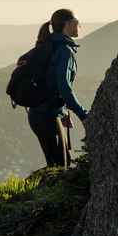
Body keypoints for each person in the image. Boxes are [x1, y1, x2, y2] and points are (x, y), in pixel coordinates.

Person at [27, 9, 90, 168]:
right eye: (77, 23)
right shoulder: (64, 51)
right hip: (46, 116)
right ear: (67, 24)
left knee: (60, 164)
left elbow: (50, 82)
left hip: (40, 114)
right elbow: (64, 87)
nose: (79, 26)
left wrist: (62, 112)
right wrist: (83, 115)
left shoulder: (49, 44)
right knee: (60, 167)